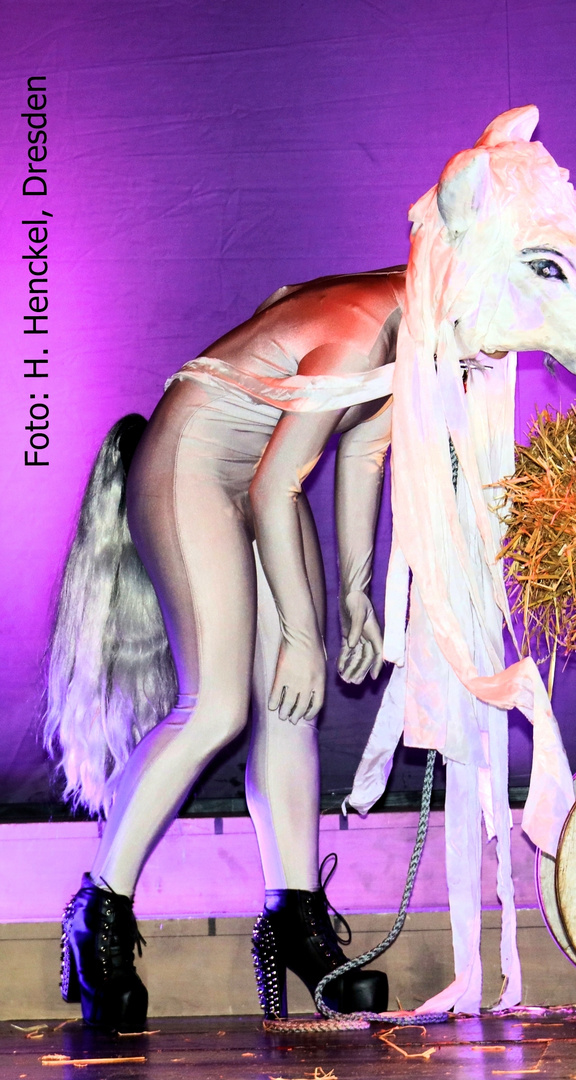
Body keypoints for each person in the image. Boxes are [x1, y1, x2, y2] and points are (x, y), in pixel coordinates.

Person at [46, 267, 405, 1030]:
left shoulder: (420, 343)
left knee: (289, 709)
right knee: (215, 708)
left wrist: (355, 597)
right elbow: (278, 481)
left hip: (268, 482)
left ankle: (295, 923)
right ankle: (97, 919)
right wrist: (306, 636)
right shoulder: (368, 322)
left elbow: (365, 455)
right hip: (196, 468)